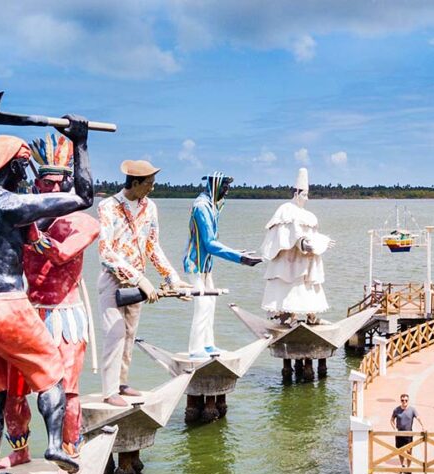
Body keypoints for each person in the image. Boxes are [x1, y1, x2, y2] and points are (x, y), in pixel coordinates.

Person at [0, 117, 91, 474]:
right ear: (16, 166)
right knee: (51, 374)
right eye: (26, 168)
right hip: (8, 305)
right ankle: (53, 446)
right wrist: (80, 142)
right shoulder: (11, 204)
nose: (29, 177)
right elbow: (83, 197)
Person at [0, 134, 101, 470]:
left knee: (67, 391)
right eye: (46, 183)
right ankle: (20, 451)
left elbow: (59, 255)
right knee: (13, 391)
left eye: (60, 184)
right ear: (36, 186)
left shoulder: (83, 222)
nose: (53, 190)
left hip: (65, 316)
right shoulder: (22, 218)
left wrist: (30, 229)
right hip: (28, 313)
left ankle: (70, 453)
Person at [97, 160, 192, 406]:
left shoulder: (149, 207)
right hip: (114, 279)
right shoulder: (108, 207)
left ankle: (121, 383)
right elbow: (105, 253)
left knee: (129, 334)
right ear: (135, 183)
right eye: (149, 184)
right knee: (115, 333)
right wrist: (140, 279)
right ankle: (109, 392)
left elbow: (152, 247)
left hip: (139, 283)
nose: (152, 188)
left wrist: (172, 279)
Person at [183, 172, 262, 359]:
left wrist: (239, 253)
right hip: (195, 263)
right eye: (224, 188)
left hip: (206, 265)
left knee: (210, 304)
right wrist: (239, 258)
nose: (226, 193)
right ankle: (195, 349)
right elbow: (210, 243)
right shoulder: (201, 207)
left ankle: (208, 345)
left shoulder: (212, 206)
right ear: (215, 186)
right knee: (202, 305)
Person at [259, 167, 334, 325]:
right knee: (291, 287)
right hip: (289, 259)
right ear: (296, 194)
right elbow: (285, 234)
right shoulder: (286, 210)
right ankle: (290, 316)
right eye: (303, 194)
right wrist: (301, 242)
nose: (306, 198)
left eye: (307, 195)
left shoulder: (309, 215)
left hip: (305, 259)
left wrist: (322, 241)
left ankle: (312, 316)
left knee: (308, 286)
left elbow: (311, 235)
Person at [390, 393, 426, 474]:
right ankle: (402, 466)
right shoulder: (396, 410)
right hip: (399, 434)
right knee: (400, 451)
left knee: (409, 451)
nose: (404, 402)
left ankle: (408, 468)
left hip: (409, 433)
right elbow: (391, 420)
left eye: (406, 400)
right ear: (400, 400)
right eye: (402, 400)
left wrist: (423, 426)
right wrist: (394, 428)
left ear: (408, 401)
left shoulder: (412, 409)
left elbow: (418, 418)